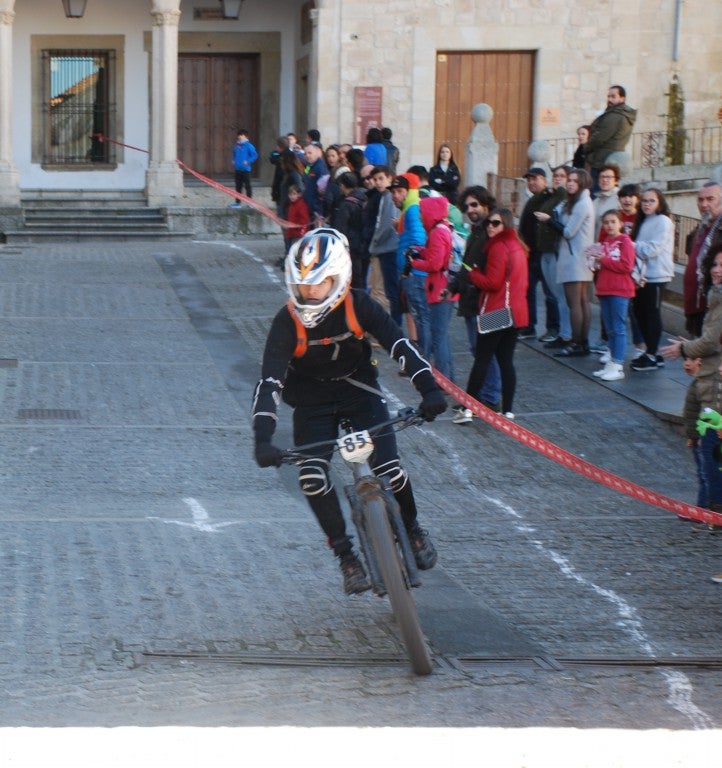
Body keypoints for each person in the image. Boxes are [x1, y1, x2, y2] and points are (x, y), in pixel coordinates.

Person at [251, 228, 446, 594]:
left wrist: (429, 389)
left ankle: (413, 529)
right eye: (303, 283)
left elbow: (400, 345)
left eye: (320, 282)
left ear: (339, 278)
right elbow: (270, 384)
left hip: (359, 390)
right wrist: (262, 439)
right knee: (311, 477)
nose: (310, 291)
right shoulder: (286, 320)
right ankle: (345, 555)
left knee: (391, 470)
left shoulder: (359, 306)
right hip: (310, 400)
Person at [661, 244, 722, 520]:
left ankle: (713, 508)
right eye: (715, 265)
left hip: (717, 388)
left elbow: (711, 341)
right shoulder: (716, 297)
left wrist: (685, 350)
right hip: (711, 382)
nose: (717, 270)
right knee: (709, 447)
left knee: (710, 448)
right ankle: (708, 505)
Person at [456, 208, 529, 422]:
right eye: (489, 222)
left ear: (505, 224)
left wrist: (473, 274)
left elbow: (493, 282)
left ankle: (467, 409)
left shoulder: (499, 247)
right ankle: (507, 410)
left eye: (496, 223)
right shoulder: (518, 246)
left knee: (482, 360)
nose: (490, 226)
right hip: (516, 312)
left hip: (498, 311)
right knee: (505, 360)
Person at [446, 185, 503, 417]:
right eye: (467, 206)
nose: (470, 209)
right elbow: (467, 265)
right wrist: (453, 286)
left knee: (485, 351)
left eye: (474, 205)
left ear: (486, 205)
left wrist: (471, 282)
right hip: (472, 299)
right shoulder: (477, 231)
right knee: (478, 350)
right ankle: (484, 396)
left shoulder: (491, 231)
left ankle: (490, 398)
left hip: (486, 301)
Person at [535, 168, 595, 356]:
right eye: (569, 180)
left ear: (582, 184)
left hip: (575, 258)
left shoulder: (582, 204)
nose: (569, 183)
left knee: (575, 302)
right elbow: (560, 212)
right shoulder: (576, 201)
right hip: (577, 256)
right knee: (582, 301)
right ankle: (581, 342)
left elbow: (569, 232)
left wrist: (548, 221)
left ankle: (577, 343)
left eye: (574, 181)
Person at [408, 195, 455, 380]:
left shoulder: (437, 233)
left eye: (421, 212)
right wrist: (421, 251)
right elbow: (438, 255)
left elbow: (434, 264)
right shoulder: (443, 228)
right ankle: (449, 379)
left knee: (439, 338)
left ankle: (443, 380)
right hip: (444, 289)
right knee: (441, 337)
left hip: (440, 291)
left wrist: (415, 263)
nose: (420, 216)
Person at [629, 187, 675, 372]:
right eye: (645, 201)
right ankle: (650, 352)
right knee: (639, 312)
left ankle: (653, 354)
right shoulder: (642, 221)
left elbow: (652, 249)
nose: (647, 204)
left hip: (657, 275)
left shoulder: (663, 221)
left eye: (651, 201)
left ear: (659, 203)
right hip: (641, 275)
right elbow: (642, 248)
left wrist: (630, 245)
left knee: (651, 313)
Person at [588, 210, 636, 381]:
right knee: (610, 329)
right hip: (605, 289)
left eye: (613, 222)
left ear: (620, 223)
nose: (609, 225)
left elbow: (627, 265)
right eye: (606, 222)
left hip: (620, 290)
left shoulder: (625, 241)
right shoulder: (606, 241)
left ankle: (618, 364)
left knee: (618, 328)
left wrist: (604, 261)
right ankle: (611, 363)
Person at [516, 167, 561, 343]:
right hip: (529, 253)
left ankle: (553, 328)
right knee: (527, 291)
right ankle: (529, 326)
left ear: (544, 180)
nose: (532, 182)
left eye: (535, 179)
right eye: (529, 179)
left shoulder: (551, 197)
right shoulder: (532, 199)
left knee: (550, 293)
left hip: (546, 253)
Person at [391, 173, 430, 356]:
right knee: (419, 317)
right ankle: (422, 357)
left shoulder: (413, 210)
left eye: (399, 191)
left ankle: (424, 359)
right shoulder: (409, 210)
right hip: (412, 273)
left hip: (415, 275)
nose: (395, 195)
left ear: (410, 191)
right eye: (394, 192)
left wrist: (409, 267)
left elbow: (418, 241)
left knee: (422, 319)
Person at [539, 166, 573, 350]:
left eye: (562, 176)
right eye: (555, 176)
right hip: (547, 249)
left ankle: (565, 334)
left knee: (561, 296)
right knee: (554, 294)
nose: (558, 179)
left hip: (558, 251)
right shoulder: (553, 196)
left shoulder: (563, 198)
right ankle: (561, 332)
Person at [683, 182, 722, 337]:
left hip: (713, 304)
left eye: (710, 199)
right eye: (700, 200)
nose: (704, 204)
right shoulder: (701, 227)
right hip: (697, 303)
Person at [584, 85, 637, 192]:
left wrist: (585, 148)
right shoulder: (623, 114)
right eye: (608, 96)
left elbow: (599, 138)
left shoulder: (615, 116)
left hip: (602, 162)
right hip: (610, 161)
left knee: (597, 195)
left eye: (613, 96)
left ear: (622, 98)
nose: (609, 99)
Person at [368, 166, 401, 325]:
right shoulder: (383, 196)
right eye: (375, 180)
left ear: (389, 178)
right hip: (384, 248)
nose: (378, 183)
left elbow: (387, 225)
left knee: (390, 292)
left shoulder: (389, 197)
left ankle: (393, 328)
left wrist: (374, 243)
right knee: (387, 290)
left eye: (381, 179)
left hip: (388, 249)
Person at [330, 172, 368, 289]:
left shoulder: (346, 204)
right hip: (366, 242)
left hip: (352, 244)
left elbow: (339, 228)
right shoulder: (365, 196)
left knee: (354, 277)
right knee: (363, 274)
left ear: (342, 185)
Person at [302, 141, 329, 228]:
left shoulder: (320, 167)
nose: (307, 155)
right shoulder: (309, 166)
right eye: (305, 153)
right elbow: (305, 177)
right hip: (310, 207)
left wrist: (319, 210)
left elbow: (323, 190)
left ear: (317, 152)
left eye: (310, 153)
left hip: (316, 209)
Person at [230, 129, 258, 206]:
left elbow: (254, 155)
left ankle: (250, 202)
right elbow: (234, 155)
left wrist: (248, 161)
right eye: (238, 135)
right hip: (237, 169)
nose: (239, 137)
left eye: (241, 135)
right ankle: (237, 202)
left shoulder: (249, 146)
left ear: (245, 136)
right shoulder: (236, 146)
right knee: (238, 186)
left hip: (246, 169)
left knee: (247, 186)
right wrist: (233, 160)